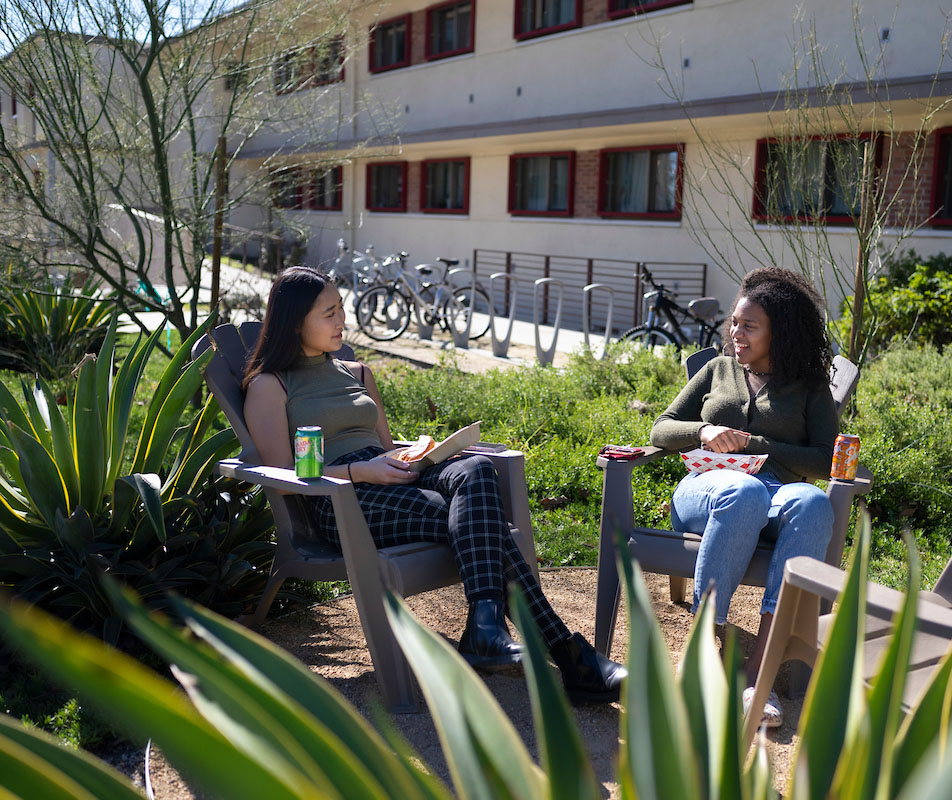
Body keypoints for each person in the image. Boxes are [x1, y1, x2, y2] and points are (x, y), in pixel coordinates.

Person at [242, 266, 626, 704]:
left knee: (478, 468)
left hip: (389, 475)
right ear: (295, 323)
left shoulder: (356, 372)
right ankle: (557, 650)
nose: (342, 321)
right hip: (338, 497)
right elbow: (286, 477)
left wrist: (420, 457)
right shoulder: (270, 385)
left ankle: (488, 629)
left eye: (341, 309)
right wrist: (359, 473)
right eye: (329, 313)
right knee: (481, 525)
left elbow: (386, 447)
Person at [650, 266, 837, 727]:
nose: (735, 332)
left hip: (776, 495)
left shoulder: (809, 386)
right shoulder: (717, 368)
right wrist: (705, 429)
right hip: (706, 492)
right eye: (734, 322)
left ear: (781, 333)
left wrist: (759, 447)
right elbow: (661, 427)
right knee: (744, 490)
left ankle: (759, 676)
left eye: (749, 326)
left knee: (813, 502)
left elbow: (826, 460)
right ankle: (701, 656)